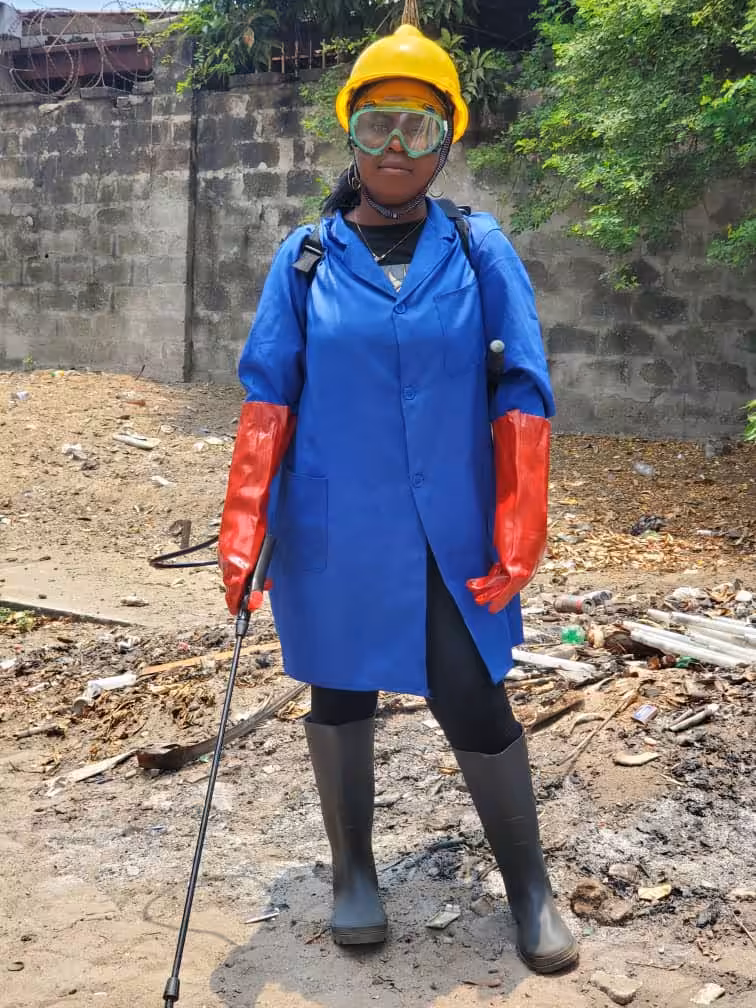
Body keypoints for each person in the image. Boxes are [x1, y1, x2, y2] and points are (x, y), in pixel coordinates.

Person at [218, 17, 578, 975]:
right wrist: (244, 527)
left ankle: (530, 886)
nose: (394, 147)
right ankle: (353, 875)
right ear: (350, 130)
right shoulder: (304, 257)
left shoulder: (478, 247)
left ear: (446, 141)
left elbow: (522, 387)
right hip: (334, 527)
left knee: (473, 694)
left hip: (446, 529)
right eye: (377, 123)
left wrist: (520, 517)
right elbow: (267, 395)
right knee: (340, 692)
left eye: (417, 128)